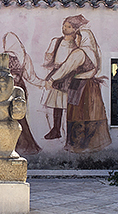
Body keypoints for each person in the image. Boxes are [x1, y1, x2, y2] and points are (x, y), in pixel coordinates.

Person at [43, 15, 112, 152]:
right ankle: (91, 143)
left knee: (78, 116)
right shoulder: (93, 52)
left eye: (78, 36)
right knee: (91, 115)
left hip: (81, 88)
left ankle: (77, 145)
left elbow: (65, 68)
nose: (76, 39)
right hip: (91, 88)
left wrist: (52, 79)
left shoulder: (80, 53)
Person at [2, 32, 42, 155]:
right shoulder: (24, 56)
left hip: (6, 90)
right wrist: (43, 83)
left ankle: (15, 146)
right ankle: (28, 145)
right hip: (20, 89)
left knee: (7, 118)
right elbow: (31, 77)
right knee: (20, 117)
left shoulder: (3, 57)